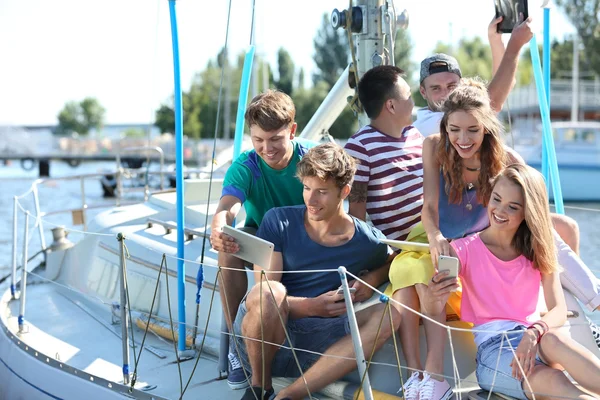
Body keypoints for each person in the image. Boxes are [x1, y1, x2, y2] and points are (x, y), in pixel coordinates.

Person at [387, 79, 600, 400]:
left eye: (472, 129)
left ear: (486, 128)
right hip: (446, 238)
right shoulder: (434, 147)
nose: (462, 138)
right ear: (445, 126)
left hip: (485, 237)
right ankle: (431, 376)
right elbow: (428, 208)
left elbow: (534, 208)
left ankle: (593, 302)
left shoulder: (505, 157)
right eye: (454, 129)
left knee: (554, 232)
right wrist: (435, 237)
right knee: (422, 274)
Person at [232, 143, 398, 400]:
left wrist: (372, 278)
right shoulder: (278, 220)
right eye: (307, 188)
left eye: (321, 191)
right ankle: (260, 388)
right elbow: (263, 297)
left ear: (344, 191)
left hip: (316, 350)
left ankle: (289, 395)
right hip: (260, 343)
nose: (311, 199)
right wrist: (313, 306)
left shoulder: (368, 241)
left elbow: (392, 260)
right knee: (270, 290)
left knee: (390, 315)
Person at [421, 163, 600, 400]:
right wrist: (434, 297)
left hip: (538, 338)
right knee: (555, 380)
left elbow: (558, 309)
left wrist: (533, 333)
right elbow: (434, 311)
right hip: (495, 352)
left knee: (554, 338)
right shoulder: (462, 250)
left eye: (512, 207)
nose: (499, 211)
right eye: (496, 199)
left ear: (528, 212)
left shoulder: (538, 248)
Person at [344, 65, 453, 400]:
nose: (414, 102)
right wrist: (370, 269)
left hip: (429, 235)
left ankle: (419, 377)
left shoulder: (416, 138)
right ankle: (420, 376)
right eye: (408, 95)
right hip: (398, 247)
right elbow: (357, 219)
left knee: (412, 279)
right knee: (412, 275)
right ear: (391, 105)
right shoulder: (359, 147)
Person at [209, 90, 315, 389]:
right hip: (263, 241)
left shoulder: (312, 158)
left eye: (275, 139)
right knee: (228, 250)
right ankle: (236, 347)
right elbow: (227, 208)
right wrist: (219, 227)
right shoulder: (246, 165)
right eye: (258, 140)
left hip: (308, 239)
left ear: (292, 130)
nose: (266, 148)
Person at [414, 15, 533, 137]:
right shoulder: (429, 124)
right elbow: (494, 101)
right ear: (423, 92)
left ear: (461, 84)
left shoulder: (457, 111)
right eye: (436, 88)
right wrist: (516, 43)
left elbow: (505, 83)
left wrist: (495, 38)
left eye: (451, 86)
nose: (446, 95)